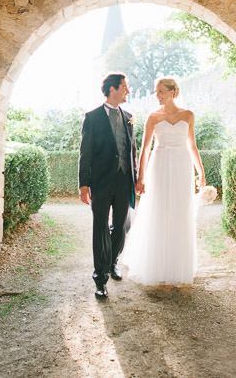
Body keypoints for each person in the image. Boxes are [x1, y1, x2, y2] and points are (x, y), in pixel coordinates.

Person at [121, 77, 207, 287]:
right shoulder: (153, 117)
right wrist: (140, 177)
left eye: (160, 91)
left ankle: (177, 266)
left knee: (180, 211)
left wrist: (201, 173)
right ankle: (155, 264)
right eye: (155, 91)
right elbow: (145, 149)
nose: (156, 95)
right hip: (158, 165)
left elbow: (192, 146)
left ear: (172, 92)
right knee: (158, 209)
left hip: (181, 166)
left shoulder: (188, 115)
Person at [78, 73, 138, 299]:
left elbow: (132, 151)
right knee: (100, 228)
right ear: (113, 89)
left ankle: (112, 261)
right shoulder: (92, 117)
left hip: (125, 181)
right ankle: (100, 278)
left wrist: (137, 178)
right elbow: (85, 153)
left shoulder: (129, 117)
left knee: (123, 225)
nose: (128, 91)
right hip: (101, 183)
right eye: (125, 87)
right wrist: (84, 184)